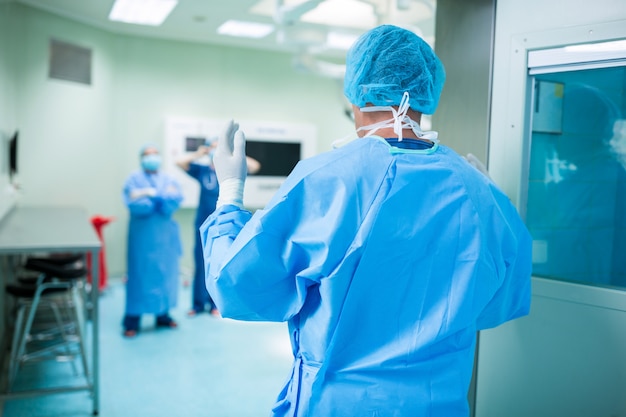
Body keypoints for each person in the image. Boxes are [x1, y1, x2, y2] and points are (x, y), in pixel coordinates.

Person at [200, 25, 532, 416]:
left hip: (340, 403)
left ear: (358, 95)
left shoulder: (328, 179)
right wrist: (493, 200)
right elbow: (501, 303)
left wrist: (230, 195)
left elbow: (238, 286)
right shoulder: (478, 190)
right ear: (426, 95)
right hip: (436, 403)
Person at [176, 138, 260, 317]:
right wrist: (201, 153)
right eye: (213, 147)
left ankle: (215, 304)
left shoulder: (230, 173)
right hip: (203, 223)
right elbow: (180, 163)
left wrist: (232, 153)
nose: (215, 150)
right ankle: (198, 304)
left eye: (218, 147)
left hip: (224, 223)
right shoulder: (202, 170)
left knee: (220, 263)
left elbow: (254, 166)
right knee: (200, 263)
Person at [122, 143, 184, 338]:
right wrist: (155, 202)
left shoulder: (168, 178)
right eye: (148, 155)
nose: (152, 158)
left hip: (165, 239)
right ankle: (132, 320)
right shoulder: (133, 179)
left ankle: (162, 315)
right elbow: (133, 202)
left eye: (155, 154)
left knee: (165, 275)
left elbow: (175, 198)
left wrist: (157, 200)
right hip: (142, 238)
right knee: (139, 277)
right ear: (141, 159)